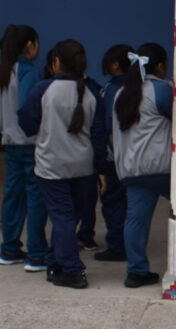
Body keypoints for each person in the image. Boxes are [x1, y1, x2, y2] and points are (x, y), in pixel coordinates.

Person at [18, 39, 109, 289]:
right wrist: (101, 168)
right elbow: (99, 135)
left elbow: (27, 123)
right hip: (84, 167)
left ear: (56, 62)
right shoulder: (92, 92)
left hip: (51, 166)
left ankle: (72, 270)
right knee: (70, 218)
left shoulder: (43, 89)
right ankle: (55, 262)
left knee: (63, 218)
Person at [113, 43, 173, 288]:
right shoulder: (162, 90)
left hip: (132, 169)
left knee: (135, 220)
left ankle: (136, 272)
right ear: (159, 66)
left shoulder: (122, 93)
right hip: (161, 168)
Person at [0, 24, 48, 271]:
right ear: (30, 44)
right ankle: (37, 254)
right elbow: (27, 107)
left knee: (12, 197)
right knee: (35, 199)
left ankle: (9, 249)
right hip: (29, 144)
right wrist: (35, 131)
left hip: (9, 143)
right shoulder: (28, 71)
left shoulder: (5, 70)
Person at [92, 44, 134, 262]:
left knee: (112, 201)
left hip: (113, 155)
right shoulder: (138, 86)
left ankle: (117, 246)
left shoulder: (111, 90)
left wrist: (100, 158)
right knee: (132, 202)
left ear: (115, 65)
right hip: (134, 155)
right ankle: (131, 243)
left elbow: (105, 124)